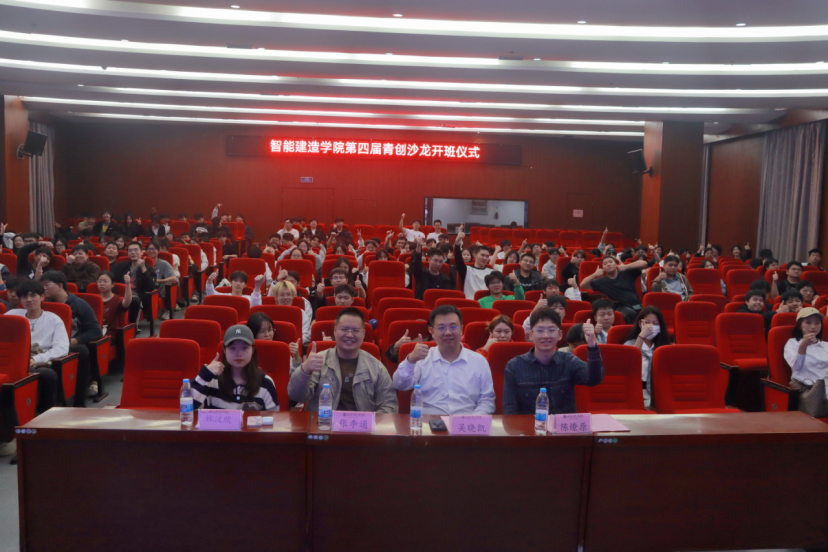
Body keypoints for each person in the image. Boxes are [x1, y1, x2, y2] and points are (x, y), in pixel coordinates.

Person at [288, 308, 398, 413]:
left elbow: (390, 405)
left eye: (355, 330)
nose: (349, 335)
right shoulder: (319, 361)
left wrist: (371, 422)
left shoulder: (377, 367)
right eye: (344, 329)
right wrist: (305, 370)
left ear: (363, 333)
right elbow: (296, 396)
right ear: (335, 330)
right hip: (324, 423)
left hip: (362, 424)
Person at [393, 305, 495, 415]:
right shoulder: (421, 359)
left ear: (461, 329)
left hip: (465, 422)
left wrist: (473, 420)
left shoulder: (479, 361)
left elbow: (487, 400)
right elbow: (399, 384)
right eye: (441, 328)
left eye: (453, 327)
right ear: (432, 331)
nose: (448, 332)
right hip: (429, 422)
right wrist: (411, 360)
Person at [502, 308, 602, 415]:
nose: (546, 336)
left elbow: (594, 379)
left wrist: (592, 344)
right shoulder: (514, 366)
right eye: (540, 330)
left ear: (560, 334)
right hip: (529, 425)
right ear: (531, 334)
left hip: (562, 425)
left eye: (551, 330)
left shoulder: (569, 361)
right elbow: (510, 409)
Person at [6, 279, 67, 414]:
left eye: (33, 295)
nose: (29, 300)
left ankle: (46, 415)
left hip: (39, 361)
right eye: (24, 296)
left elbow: (62, 348)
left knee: (48, 374)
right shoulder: (12, 315)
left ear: (42, 297)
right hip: (14, 360)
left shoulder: (53, 319)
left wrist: (36, 359)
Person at [40, 270, 101, 403]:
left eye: (47, 285)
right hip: (48, 344)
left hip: (71, 343)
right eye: (42, 285)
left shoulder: (79, 304)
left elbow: (96, 330)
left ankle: (79, 400)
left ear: (60, 286)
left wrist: (74, 341)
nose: (43, 288)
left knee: (82, 350)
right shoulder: (45, 305)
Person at [191, 325, 279, 410]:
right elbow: (189, 407)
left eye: (244, 348)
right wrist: (205, 374)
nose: (239, 354)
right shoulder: (211, 380)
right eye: (232, 348)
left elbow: (273, 417)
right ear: (224, 350)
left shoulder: (266, 383)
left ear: (252, 350)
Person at [624, 306, 671, 407]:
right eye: (647, 322)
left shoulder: (665, 348)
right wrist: (641, 337)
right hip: (638, 390)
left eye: (655, 323)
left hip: (659, 391)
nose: (651, 326)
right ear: (640, 324)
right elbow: (629, 364)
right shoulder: (629, 344)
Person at [581, 256, 648, 323]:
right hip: (621, 307)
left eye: (610, 262)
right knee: (630, 314)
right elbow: (583, 285)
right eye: (605, 264)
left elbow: (644, 263)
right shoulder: (602, 281)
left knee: (648, 312)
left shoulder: (626, 272)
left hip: (637, 304)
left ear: (616, 264)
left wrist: (626, 266)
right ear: (603, 268)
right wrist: (595, 274)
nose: (608, 264)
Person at [111, 241, 158, 326]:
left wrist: (143, 268)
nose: (133, 253)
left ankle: (132, 326)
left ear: (142, 252)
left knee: (134, 300)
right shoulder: (121, 266)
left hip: (138, 295)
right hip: (121, 293)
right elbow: (112, 279)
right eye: (130, 250)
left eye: (136, 250)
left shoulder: (148, 268)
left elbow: (151, 286)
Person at [784, 307, 828, 386]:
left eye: (817, 323)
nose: (813, 326)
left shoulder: (825, 345)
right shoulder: (792, 343)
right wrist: (803, 346)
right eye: (808, 322)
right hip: (805, 386)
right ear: (800, 325)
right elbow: (796, 367)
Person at [454, 226, 494, 300]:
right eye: (482, 255)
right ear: (475, 255)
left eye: (487, 256)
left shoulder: (492, 272)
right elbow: (458, 260)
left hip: (487, 303)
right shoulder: (467, 270)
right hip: (471, 302)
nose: (485, 258)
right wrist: (457, 242)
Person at [271, 280, 311, 346]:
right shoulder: (271, 312)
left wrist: (295, 343)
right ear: (276, 297)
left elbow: (307, 335)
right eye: (282, 295)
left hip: (295, 348)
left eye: (288, 294)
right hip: (275, 346)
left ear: (293, 296)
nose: (285, 297)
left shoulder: (300, 312)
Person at [144, 241, 177, 320]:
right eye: (149, 249)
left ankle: (168, 310)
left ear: (158, 251)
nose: (151, 251)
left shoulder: (164, 263)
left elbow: (173, 278)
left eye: (153, 249)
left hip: (159, 287)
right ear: (146, 251)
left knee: (167, 285)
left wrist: (159, 281)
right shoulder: (143, 263)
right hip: (145, 287)